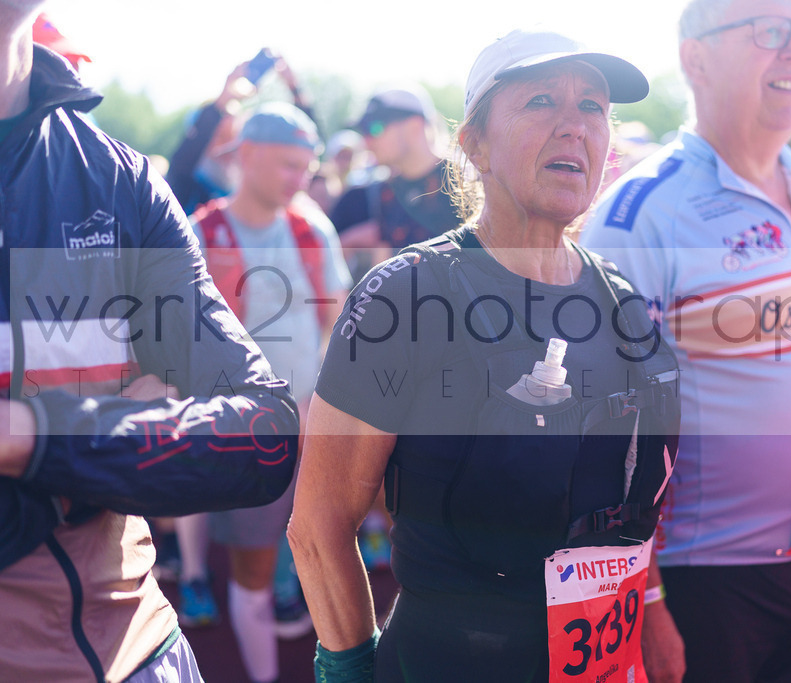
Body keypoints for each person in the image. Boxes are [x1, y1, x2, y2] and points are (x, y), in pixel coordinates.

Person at [289, 28, 681, 683]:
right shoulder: (408, 296)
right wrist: (349, 670)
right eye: (540, 102)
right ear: (473, 143)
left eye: (593, 106)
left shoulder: (623, 303)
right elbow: (318, 525)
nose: (574, 126)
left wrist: (652, 605)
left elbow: (622, 500)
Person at [0, 4, 300, 681]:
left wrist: (31, 436)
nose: (298, 177)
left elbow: (267, 432)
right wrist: (126, 420)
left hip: (141, 651)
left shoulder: (117, 178)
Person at [580, 2, 791, 681]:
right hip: (703, 579)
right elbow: (601, 433)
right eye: (773, 31)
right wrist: (646, 599)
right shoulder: (642, 213)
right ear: (696, 56)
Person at [173, 102, 352, 683]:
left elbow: (337, 322)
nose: (300, 180)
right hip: (243, 433)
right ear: (245, 156)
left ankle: (281, 603)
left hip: (308, 428)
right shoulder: (202, 234)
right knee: (249, 565)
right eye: (286, 165)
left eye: (307, 166)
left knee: (313, 557)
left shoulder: (309, 227)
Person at [329, 86, 461, 278]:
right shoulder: (387, 190)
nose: (366, 142)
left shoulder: (463, 182)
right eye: (363, 132)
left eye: (375, 128)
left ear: (414, 126)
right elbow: (383, 266)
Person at [164, 51, 315, 216]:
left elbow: (304, 144)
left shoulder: (252, 190)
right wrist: (223, 100)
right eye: (220, 137)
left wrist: (295, 88)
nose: (227, 147)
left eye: (234, 136)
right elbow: (187, 154)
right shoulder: (182, 185)